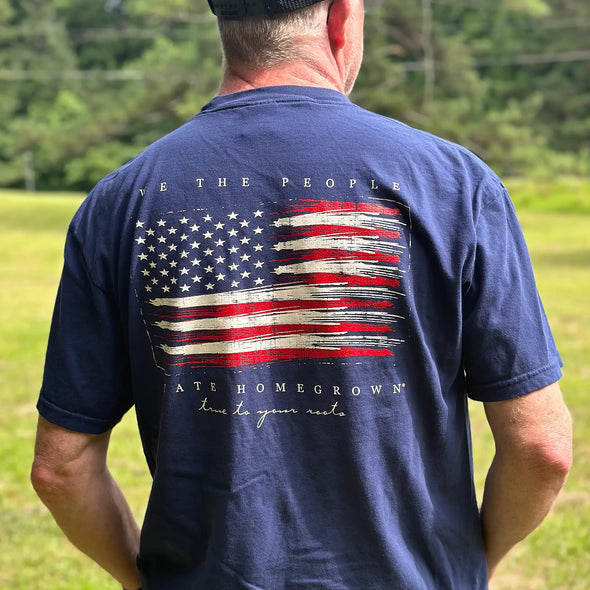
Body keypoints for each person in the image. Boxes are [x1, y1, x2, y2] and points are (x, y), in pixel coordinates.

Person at [31, 0, 573, 588]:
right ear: (342, 18)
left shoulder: (120, 202)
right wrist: (467, 569)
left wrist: (143, 580)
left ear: (226, 25)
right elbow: (541, 448)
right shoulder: (455, 184)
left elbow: (61, 468)